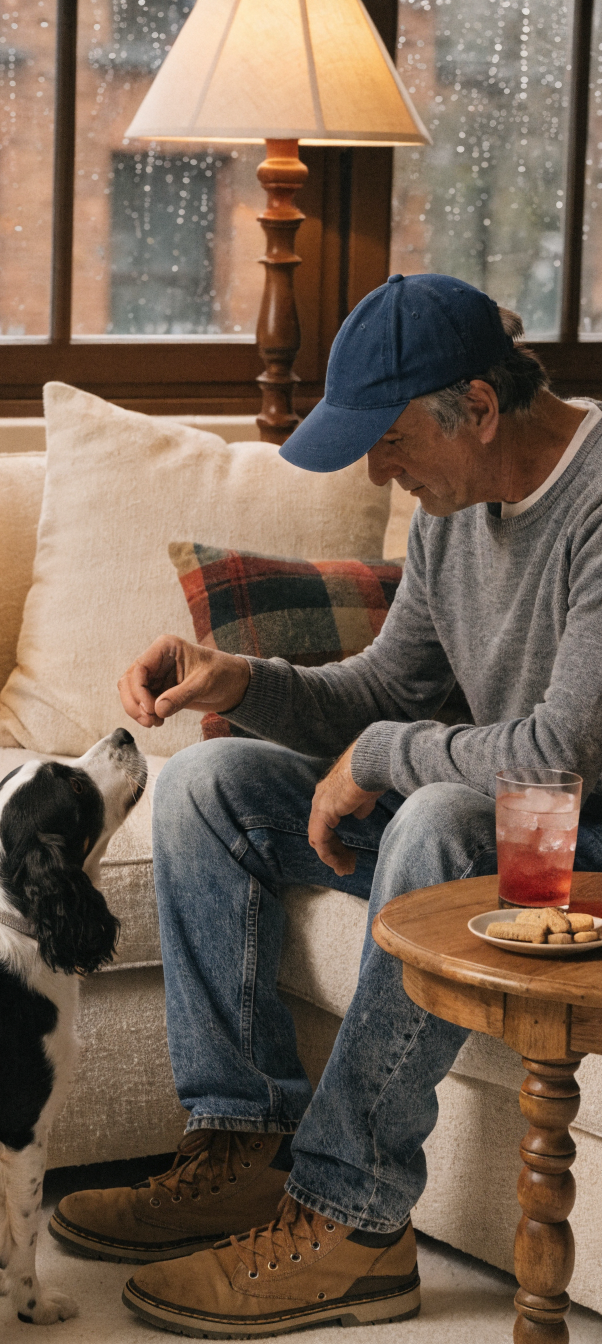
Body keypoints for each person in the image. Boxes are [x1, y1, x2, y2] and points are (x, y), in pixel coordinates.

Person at [49, 273, 602, 1335]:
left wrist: (387, 755)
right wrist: (237, 679)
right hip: (506, 829)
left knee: (437, 812)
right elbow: (386, 691)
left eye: (389, 440)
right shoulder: (455, 507)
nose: (374, 468)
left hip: (577, 852)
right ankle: (244, 1146)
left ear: (478, 407)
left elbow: (557, 754)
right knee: (212, 782)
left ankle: (352, 1217)